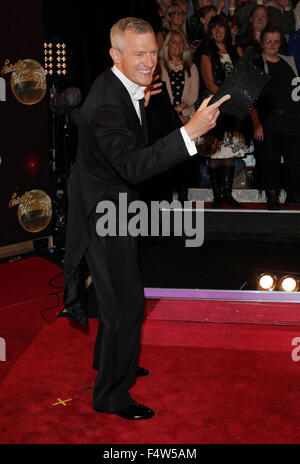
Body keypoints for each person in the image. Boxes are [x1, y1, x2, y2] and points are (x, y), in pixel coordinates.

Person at [63, 17, 229, 420]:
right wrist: (190, 133)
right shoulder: (105, 100)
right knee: (125, 303)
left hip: (117, 203)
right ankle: (111, 396)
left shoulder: (124, 85)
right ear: (114, 55)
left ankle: (111, 362)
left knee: (119, 294)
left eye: (153, 52)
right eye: (139, 54)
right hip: (105, 209)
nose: (149, 62)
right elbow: (133, 166)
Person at [200, 15, 253, 207]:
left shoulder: (235, 50)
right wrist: (226, 102)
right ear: (210, 31)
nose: (217, 31)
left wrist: (236, 103)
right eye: (213, 28)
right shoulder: (206, 52)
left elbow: (244, 77)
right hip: (214, 106)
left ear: (227, 30)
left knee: (229, 152)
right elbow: (209, 83)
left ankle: (227, 194)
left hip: (234, 107)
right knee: (214, 152)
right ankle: (217, 196)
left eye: (221, 27)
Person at [250, 25, 300, 209]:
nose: (272, 45)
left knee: (294, 162)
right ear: (262, 43)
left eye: (276, 41)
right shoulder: (256, 65)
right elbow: (251, 98)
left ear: (281, 43)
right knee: (270, 162)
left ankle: (294, 194)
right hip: (270, 122)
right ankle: (272, 196)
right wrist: (257, 124)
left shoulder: (290, 62)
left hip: (293, 122)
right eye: (268, 41)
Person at [160, 29, 200, 200]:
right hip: (166, 118)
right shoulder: (159, 66)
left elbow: (194, 94)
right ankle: (166, 192)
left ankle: (183, 192)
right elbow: (162, 94)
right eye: (173, 42)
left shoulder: (191, 66)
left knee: (184, 158)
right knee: (166, 158)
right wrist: (174, 113)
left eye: (180, 42)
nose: (177, 45)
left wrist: (181, 109)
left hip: (186, 117)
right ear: (167, 45)